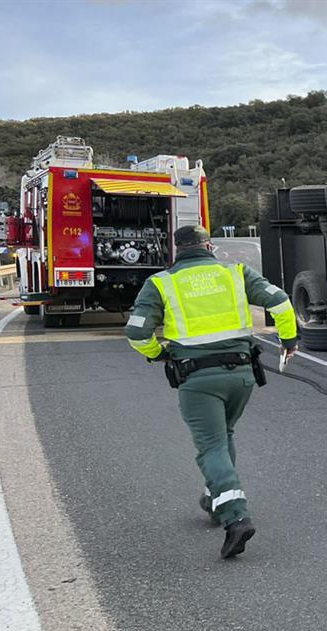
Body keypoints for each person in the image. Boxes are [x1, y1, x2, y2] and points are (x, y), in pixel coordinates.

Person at [125, 226, 298, 557]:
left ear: (177, 251)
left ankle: (236, 517)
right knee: (224, 436)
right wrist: (288, 340)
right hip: (243, 374)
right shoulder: (236, 272)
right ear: (208, 246)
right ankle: (213, 499)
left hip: (199, 379)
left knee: (212, 446)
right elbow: (279, 302)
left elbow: (136, 331)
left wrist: (157, 352)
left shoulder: (161, 282)